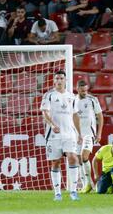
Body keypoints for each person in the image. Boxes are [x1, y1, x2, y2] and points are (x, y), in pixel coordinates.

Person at [40, 70, 81, 201]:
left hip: (69, 133)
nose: (59, 80)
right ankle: (57, 193)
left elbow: (75, 115)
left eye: (61, 78)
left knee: (73, 157)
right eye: (57, 78)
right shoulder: (49, 95)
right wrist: (52, 125)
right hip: (53, 134)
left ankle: (73, 192)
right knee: (56, 162)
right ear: (54, 80)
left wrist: (79, 133)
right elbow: (45, 112)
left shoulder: (71, 96)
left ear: (65, 80)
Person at [75, 80, 103, 194]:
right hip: (77, 135)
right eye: (82, 91)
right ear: (77, 89)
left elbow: (100, 116)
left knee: (84, 155)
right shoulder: (73, 100)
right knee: (79, 159)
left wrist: (99, 133)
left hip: (89, 134)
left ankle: (88, 183)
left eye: (86, 90)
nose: (85, 92)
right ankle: (86, 184)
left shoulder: (92, 99)